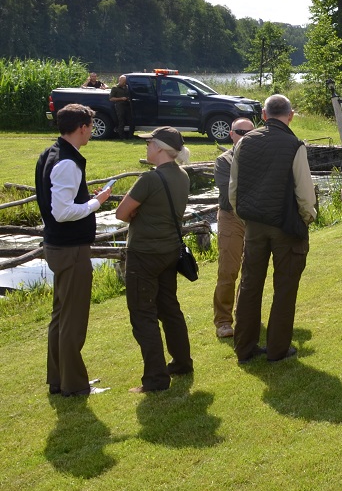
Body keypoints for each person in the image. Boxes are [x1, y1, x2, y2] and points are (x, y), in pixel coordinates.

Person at [230, 94, 317, 363]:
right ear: (290, 116)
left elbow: (234, 189)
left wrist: (244, 217)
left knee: (249, 285)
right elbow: (305, 193)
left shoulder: (244, 142)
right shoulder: (294, 145)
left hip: (254, 224)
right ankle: (278, 349)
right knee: (285, 288)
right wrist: (307, 218)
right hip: (286, 225)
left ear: (264, 115)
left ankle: (244, 348)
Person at [35, 104, 113, 397]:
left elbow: (57, 203)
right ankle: (74, 385)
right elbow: (62, 212)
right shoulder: (67, 162)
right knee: (73, 319)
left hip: (58, 246)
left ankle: (59, 379)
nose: (91, 132)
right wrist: (96, 203)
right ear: (82, 127)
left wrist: (86, 201)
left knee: (61, 316)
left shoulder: (50, 153)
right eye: (90, 127)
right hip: (70, 249)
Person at [116, 127, 193, 393]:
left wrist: (136, 212)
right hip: (169, 251)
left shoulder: (149, 179)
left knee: (142, 315)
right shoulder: (182, 175)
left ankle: (156, 379)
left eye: (149, 142)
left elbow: (121, 213)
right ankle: (182, 362)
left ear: (159, 147)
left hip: (144, 254)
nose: (146, 147)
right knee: (169, 308)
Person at [212, 117, 255, 339]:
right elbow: (230, 192)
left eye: (250, 133)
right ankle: (223, 321)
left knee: (251, 270)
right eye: (240, 132)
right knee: (228, 270)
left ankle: (244, 314)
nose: (245, 137)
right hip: (231, 217)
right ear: (231, 134)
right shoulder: (224, 161)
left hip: (254, 220)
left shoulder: (259, 158)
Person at [109, 75, 133, 139]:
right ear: (119, 80)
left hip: (127, 105)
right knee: (121, 121)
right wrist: (121, 98)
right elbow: (111, 98)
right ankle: (121, 136)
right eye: (123, 81)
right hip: (120, 106)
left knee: (131, 121)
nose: (124, 83)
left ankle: (130, 136)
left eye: (125, 81)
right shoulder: (115, 88)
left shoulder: (127, 87)